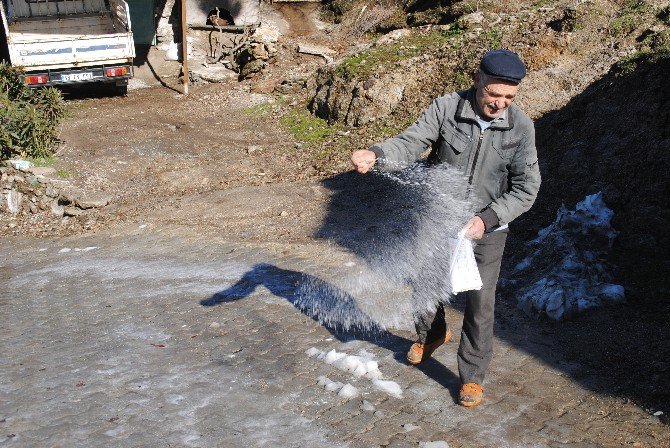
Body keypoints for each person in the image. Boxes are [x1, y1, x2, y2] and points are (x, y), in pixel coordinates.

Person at [351, 49, 541, 407]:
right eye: (493, 94)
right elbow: (411, 142)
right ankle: (432, 333)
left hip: (487, 230)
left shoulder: (520, 127)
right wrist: (377, 154)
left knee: (480, 304)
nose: (500, 104)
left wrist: (486, 219)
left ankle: (471, 377)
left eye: (509, 97)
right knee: (425, 287)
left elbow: (526, 188)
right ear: (477, 81)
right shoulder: (446, 108)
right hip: (437, 220)